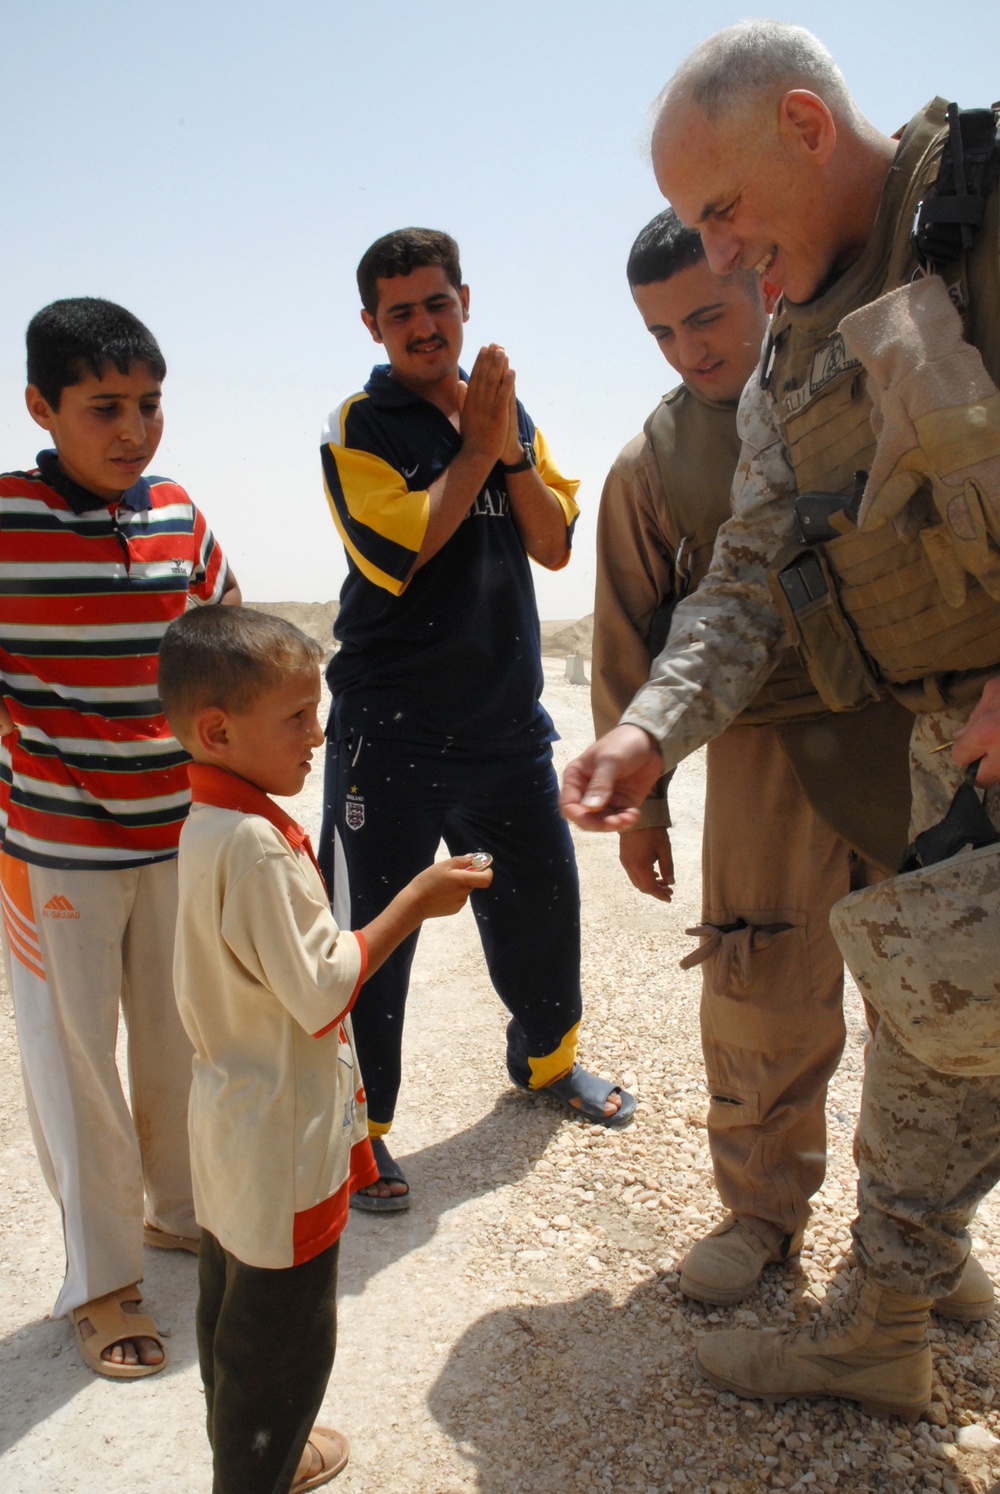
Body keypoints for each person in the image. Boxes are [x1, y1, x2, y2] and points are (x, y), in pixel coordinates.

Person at [562, 21, 1000, 1418]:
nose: (722, 251)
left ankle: (896, 1292)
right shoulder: (787, 356)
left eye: (724, 209)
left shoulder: (980, 210)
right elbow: (743, 578)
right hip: (945, 754)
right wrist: (648, 735)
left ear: (809, 128)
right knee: (940, 1022)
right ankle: (886, 1306)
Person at [593, 207, 914, 1305]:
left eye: (707, 315)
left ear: (757, 284)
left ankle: (913, 1239)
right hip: (760, 752)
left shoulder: (860, 383)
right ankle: (760, 1215)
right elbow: (628, 639)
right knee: (757, 988)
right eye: (663, 333)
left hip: (897, 731)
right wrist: (643, 810)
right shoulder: (652, 462)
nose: (692, 347)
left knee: (918, 995)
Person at [318, 227, 636, 1210]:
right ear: (372, 324)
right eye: (400, 310)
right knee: (369, 939)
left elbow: (549, 543)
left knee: (542, 908)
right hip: (391, 732)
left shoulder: (505, 414)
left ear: (465, 304)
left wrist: (505, 451)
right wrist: (475, 449)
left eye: (436, 303)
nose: (422, 324)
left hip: (504, 730)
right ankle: (356, 1130)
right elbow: (402, 553)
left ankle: (545, 1063)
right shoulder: (358, 426)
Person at [159, 605, 491, 1494]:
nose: (321, 734)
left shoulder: (207, 825)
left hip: (232, 1128)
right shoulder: (259, 848)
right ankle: (259, 1468)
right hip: (282, 1143)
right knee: (286, 1339)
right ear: (219, 730)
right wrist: (416, 897)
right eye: (297, 717)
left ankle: (258, 1450)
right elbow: (325, 988)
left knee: (228, 1311)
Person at [0, 297, 239, 1378]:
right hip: (55, 855)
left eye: (149, 405)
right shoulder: (3, 520)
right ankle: (101, 1284)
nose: (135, 430)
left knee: (181, 1041)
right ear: (41, 407)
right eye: (105, 407)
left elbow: (226, 648)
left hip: (175, 841)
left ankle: (180, 1212)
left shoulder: (179, 513)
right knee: (76, 1069)